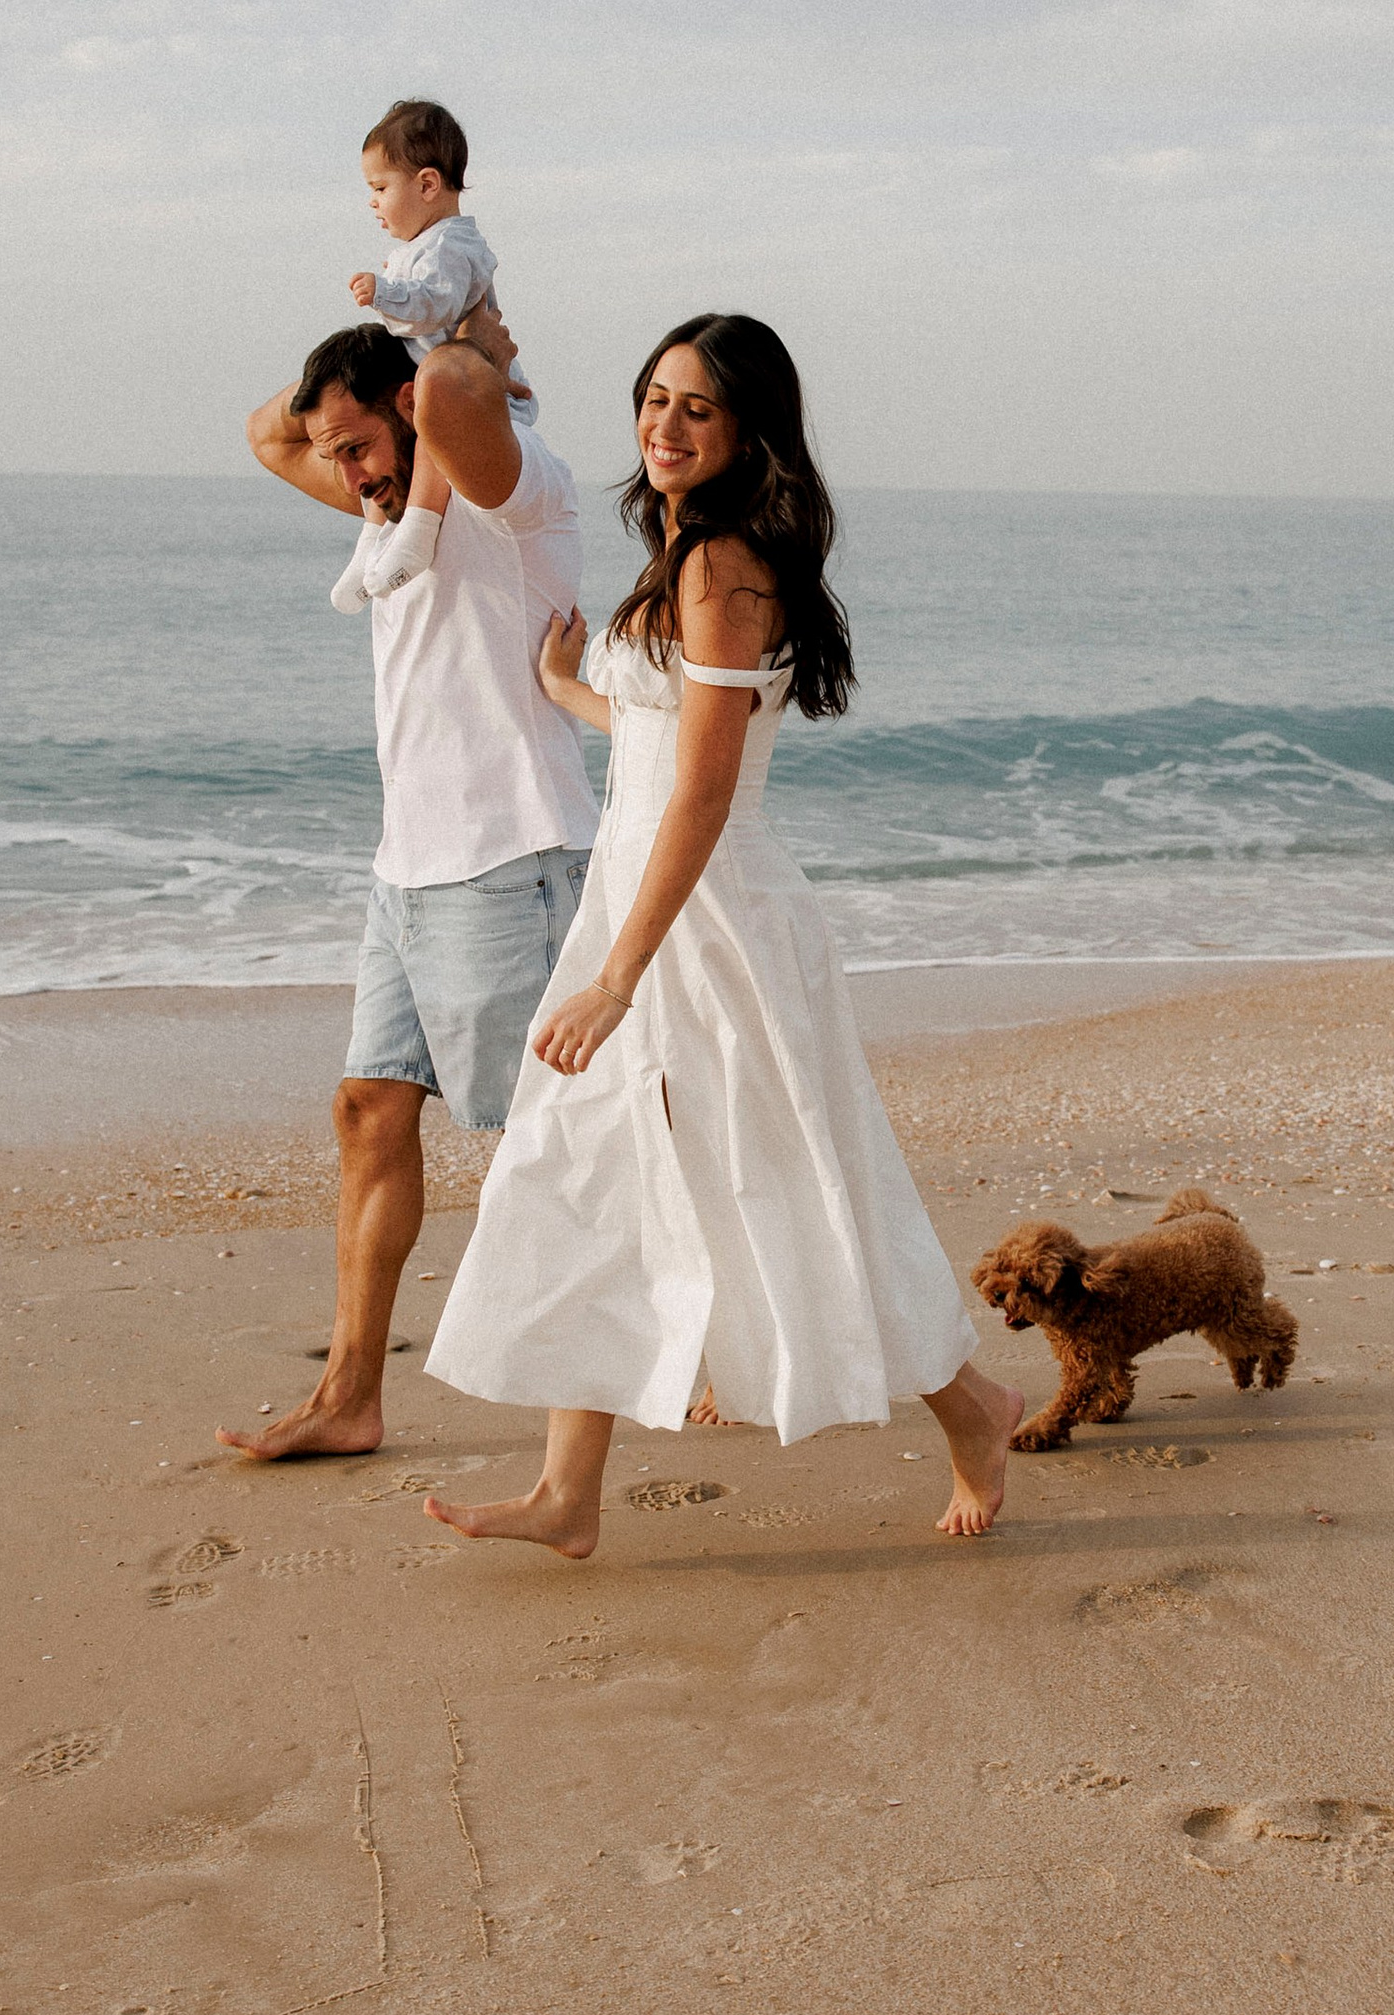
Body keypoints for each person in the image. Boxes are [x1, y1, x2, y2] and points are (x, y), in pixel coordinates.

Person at [421, 312, 1021, 1554]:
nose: (664, 424)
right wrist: (569, 693)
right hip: (645, 910)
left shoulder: (721, 564)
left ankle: (974, 1406)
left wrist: (618, 979)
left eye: (696, 406)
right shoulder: (689, 553)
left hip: (703, 928)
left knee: (794, 1185)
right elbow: (662, 745)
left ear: (748, 427)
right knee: (589, 1172)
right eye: (652, 399)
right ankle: (567, 1490)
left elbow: (702, 792)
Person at [217, 308, 597, 1464]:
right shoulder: (387, 514)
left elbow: (451, 401)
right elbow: (260, 434)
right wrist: (347, 394)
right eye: (333, 449)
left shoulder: (501, 493)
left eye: (359, 442)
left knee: (568, 1137)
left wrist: (448, 320)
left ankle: (709, 1339)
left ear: (414, 414)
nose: (341, 470)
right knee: (367, 1111)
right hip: (409, 869)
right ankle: (350, 1395)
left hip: (506, 862)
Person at [334, 97, 540, 611]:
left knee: (430, 424)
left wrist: (385, 291)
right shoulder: (426, 244)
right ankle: (373, 543)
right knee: (396, 432)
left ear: (427, 185)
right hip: (431, 384)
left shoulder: (451, 247)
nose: (373, 203)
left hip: (466, 396)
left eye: (380, 188)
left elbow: (434, 304)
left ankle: (419, 530)